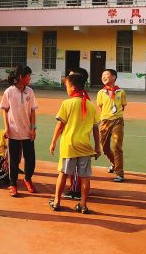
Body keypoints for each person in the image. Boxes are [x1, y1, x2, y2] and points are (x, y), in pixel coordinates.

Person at [49, 72, 101, 214]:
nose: (66, 88)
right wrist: (97, 147)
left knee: (63, 174)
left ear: (72, 87)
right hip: (85, 146)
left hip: (69, 145)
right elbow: (96, 128)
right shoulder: (90, 105)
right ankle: (83, 204)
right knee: (85, 177)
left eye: (66, 85)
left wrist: (53, 142)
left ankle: (57, 201)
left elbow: (60, 125)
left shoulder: (67, 103)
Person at [0, 64, 38, 197]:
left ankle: (27, 179)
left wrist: (33, 128)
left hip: (27, 132)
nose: (30, 78)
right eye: (28, 75)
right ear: (21, 77)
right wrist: (7, 127)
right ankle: (13, 184)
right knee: (14, 160)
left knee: (30, 159)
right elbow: (5, 110)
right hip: (13, 132)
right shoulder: (9, 92)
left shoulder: (30, 92)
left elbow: (33, 111)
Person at [63, 67, 90, 201]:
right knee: (78, 169)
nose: (69, 77)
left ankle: (75, 190)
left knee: (76, 169)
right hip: (80, 138)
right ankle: (76, 188)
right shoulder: (82, 97)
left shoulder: (81, 99)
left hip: (76, 139)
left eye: (71, 76)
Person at [97, 68, 127, 183]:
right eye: (102, 76)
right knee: (104, 148)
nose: (103, 77)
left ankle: (120, 173)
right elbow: (101, 107)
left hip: (118, 121)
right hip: (105, 122)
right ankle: (114, 164)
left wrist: (116, 116)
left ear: (114, 77)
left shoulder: (121, 92)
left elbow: (123, 107)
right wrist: (105, 118)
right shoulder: (101, 93)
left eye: (106, 75)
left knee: (117, 147)